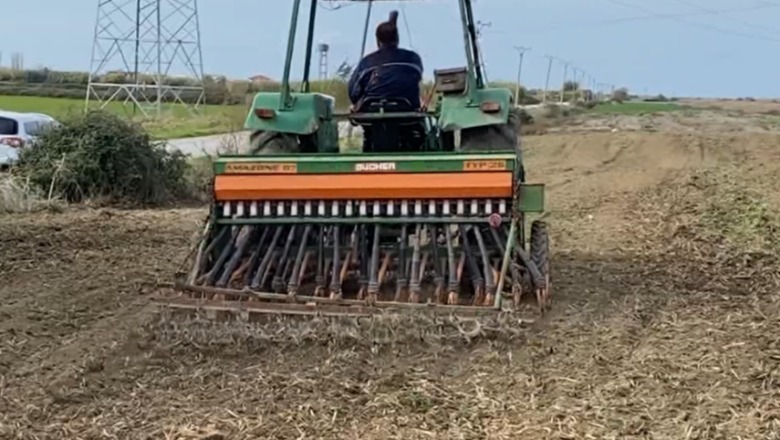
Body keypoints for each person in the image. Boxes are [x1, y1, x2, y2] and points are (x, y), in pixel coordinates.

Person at [348, 11, 423, 112]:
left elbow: (353, 93)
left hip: (371, 115)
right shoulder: (413, 59)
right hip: (407, 113)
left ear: (378, 40)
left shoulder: (366, 63)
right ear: (397, 38)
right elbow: (416, 80)